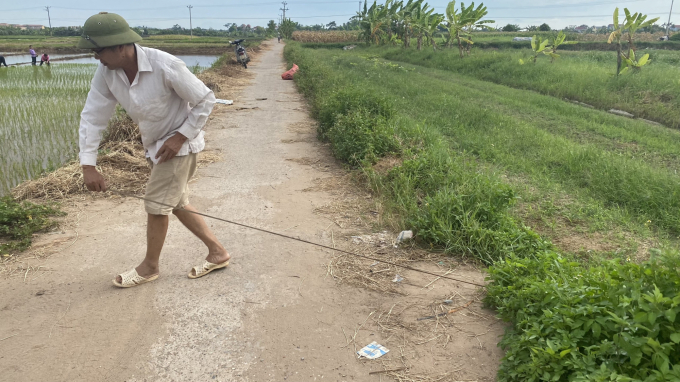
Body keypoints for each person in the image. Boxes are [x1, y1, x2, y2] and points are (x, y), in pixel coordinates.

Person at [77, 12, 230, 288]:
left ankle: (149, 267)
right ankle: (218, 252)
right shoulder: (107, 72)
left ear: (120, 47)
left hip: (179, 147)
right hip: (157, 148)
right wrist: (88, 164)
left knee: (157, 205)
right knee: (178, 203)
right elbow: (93, 116)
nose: (96, 57)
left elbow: (206, 99)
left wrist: (180, 137)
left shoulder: (164, 64)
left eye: (98, 51)